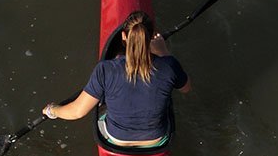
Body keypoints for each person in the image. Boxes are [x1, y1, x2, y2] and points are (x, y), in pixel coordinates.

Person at [43, 11, 191, 148]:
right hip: (156, 140)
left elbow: (77, 112)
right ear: (152, 37)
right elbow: (186, 88)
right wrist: (164, 52)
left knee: (102, 104)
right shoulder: (169, 65)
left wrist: (52, 110)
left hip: (117, 139)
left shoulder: (105, 69)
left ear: (123, 36)